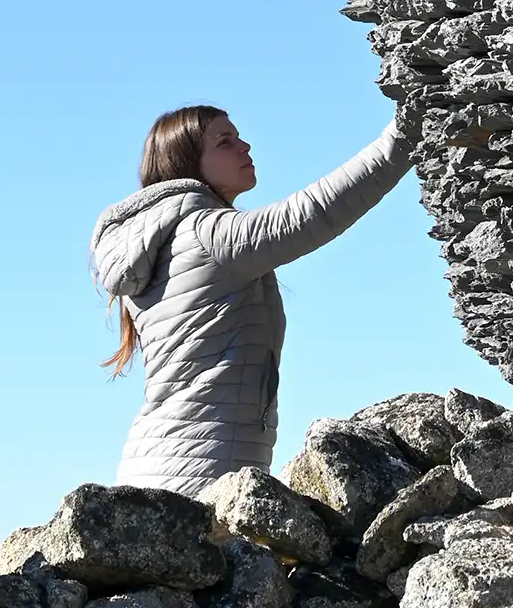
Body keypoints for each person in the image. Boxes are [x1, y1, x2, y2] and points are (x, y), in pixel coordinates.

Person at [91, 105, 413, 495]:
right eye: (225, 142)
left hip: (158, 469)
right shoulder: (206, 234)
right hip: (198, 477)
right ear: (186, 160)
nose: (244, 146)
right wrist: (404, 136)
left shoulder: (165, 241)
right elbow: (314, 212)